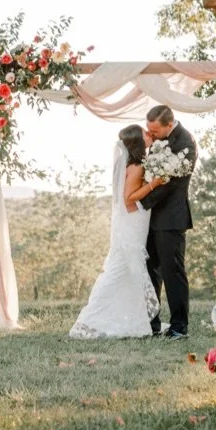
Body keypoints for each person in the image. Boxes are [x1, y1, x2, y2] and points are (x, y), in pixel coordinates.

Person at [69, 125, 162, 339]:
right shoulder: (137, 166)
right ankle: (93, 318)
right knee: (122, 269)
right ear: (138, 141)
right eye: (145, 134)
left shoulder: (134, 164)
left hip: (131, 221)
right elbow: (129, 198)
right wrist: (154, 184)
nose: (150, 135)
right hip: (133, 223)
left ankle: (130, 318)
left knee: (126, 270)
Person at [137, 104, 198, 338]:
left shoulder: (185, 142)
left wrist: (142, 201)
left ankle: (179, 326)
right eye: (148, 130)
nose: (150, 135)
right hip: (152, 217)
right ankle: (152, 323)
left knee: (173, 273)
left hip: (171, 217)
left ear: (169, 125)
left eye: (155, 131)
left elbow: (171, 183)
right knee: (152, 271)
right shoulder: (159, 140)